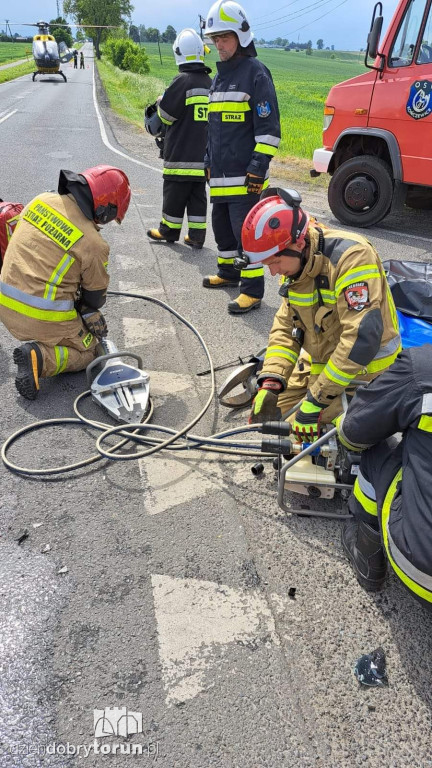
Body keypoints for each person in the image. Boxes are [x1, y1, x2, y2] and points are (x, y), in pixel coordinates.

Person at [243, 188, 401, 433]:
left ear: (297, 243)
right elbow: (286, 328)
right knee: (267, 427)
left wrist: (317, 399)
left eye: (274, 262)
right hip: (322, 364)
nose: (273, 272)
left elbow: (362, 339)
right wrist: (272, 379)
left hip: (362, 374)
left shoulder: (353, 257)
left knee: (296, 435)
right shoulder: (295, 266)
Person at [0, 165, 131, 400]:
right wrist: (88, 314)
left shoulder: (41, 200)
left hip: (5, 302)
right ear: (106, 209)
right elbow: (94, 298)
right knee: (91, 351)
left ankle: (46, 342)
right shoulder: (94, 244)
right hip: (41, 315)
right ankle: (39, 358)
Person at [335, 344, 432, 609]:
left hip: (424, 575)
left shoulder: (423, 368)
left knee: (380, 448)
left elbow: (353, 434)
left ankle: (366, 558)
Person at [202, 0, 281, 314]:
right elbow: (213, 129)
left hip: (245, 178)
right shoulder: (219, 78)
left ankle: (252, 291)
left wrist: (258, 166)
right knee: (222, 229)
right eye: (215, 39)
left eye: (225, 37)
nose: (219, 44)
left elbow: (269, 128)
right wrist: (208, 161)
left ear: (242, 36)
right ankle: (229, 273)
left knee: (247, 234)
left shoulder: (256, 74)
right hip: (220, 178)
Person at [147, 29, 212, 250]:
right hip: (202, 159)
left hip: (180, 157)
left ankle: (168, 230)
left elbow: (165, 116)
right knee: (197, 198)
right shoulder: (210, 82)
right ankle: (196, 236)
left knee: (174, 195)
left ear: (179, 53)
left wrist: (161, 100)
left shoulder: (181, 81)